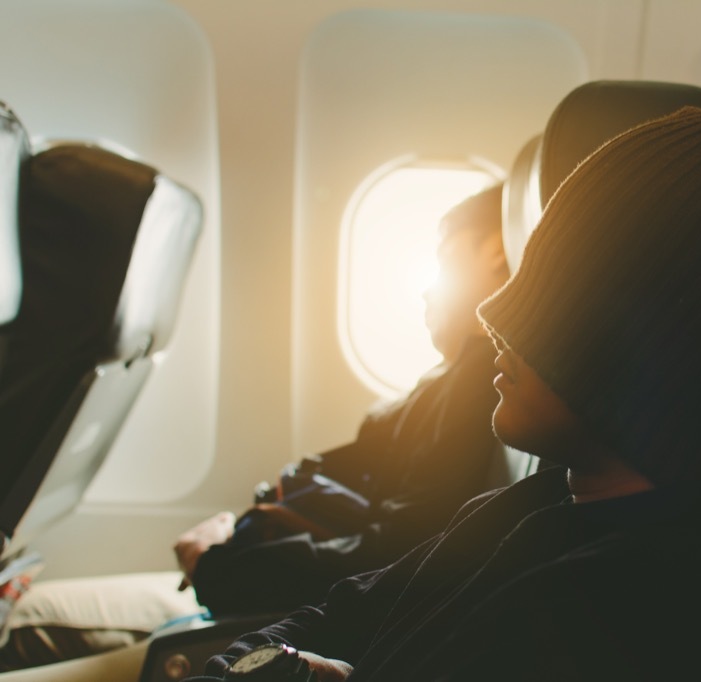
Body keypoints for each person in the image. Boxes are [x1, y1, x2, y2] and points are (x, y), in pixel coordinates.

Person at [182, 106, 701, 681]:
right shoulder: (541, 504)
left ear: (655, 337)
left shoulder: (638, 603)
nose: (495, 315)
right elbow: (340, 609)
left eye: (553, 296)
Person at [0, 182, 514, 670]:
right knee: (26, 612)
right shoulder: (445, 380)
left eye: (445, 257)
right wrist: (241, 530)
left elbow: (395, 553)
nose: (427, 291)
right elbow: (345, 480)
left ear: (496, 250)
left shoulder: (479, 390)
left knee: (18, 627)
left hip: (268, 619)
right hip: (255, 586)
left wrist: (218, 568)